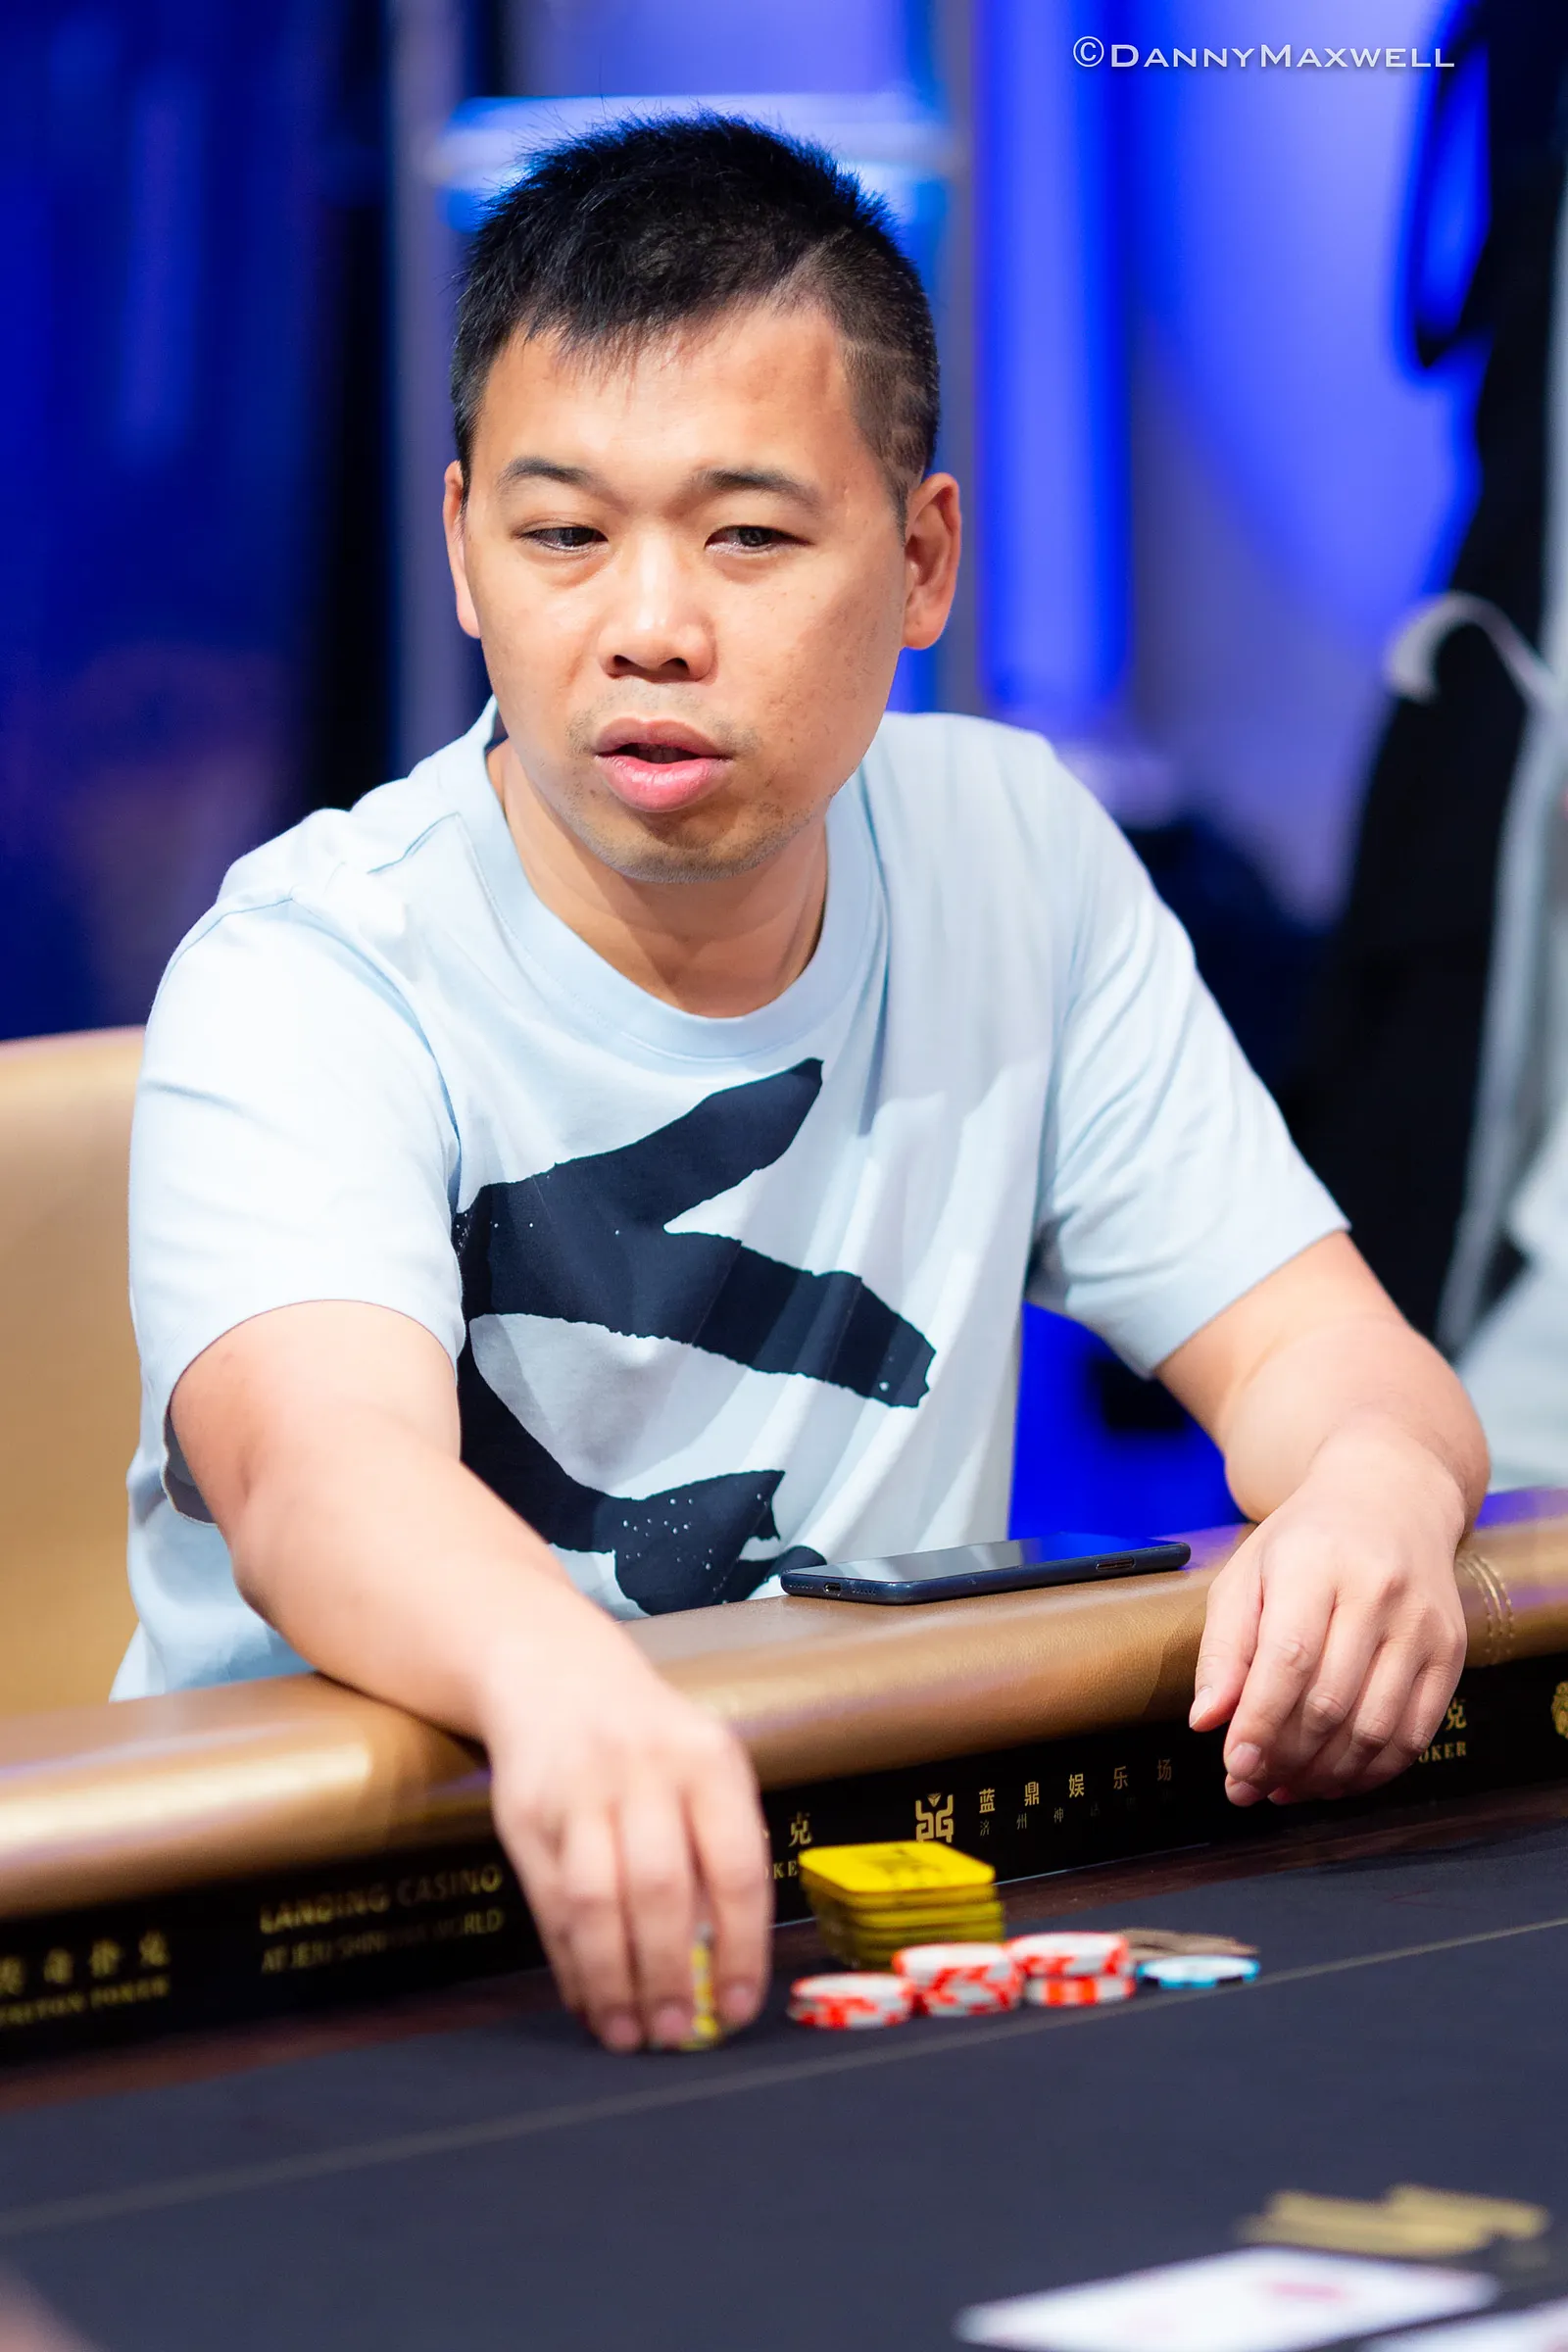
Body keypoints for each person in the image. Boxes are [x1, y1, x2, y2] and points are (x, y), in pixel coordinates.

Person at [121, 118, 1488, 2055]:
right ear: (461, 548)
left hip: (850, 1889)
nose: (648, 627)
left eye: (747, 535)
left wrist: (1372, 1494)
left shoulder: (1016, 856)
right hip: (316, 1941)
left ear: (921, 558)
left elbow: (1316, 1352)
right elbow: (317, 1473)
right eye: (562, 535)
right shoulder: (307, 963)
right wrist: (561, 1681)